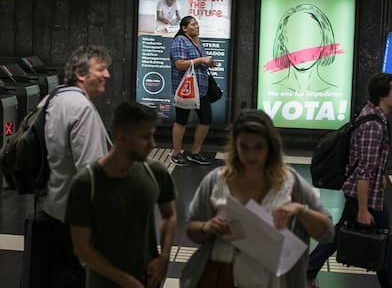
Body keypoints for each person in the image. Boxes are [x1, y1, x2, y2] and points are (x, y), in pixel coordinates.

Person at [181, 109, 335, 288]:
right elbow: (191, 228)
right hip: (222, 275)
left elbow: (327, 233)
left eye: (259, 147)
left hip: (272, 279)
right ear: (235, 146)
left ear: (271, 146)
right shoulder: (217, 180)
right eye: (244, 147)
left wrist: (301, 210)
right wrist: (206, 227)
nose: (251, 155)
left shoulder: (291, 183)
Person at [306, 72, 392, 288]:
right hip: (366, 196)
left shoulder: (371, 112)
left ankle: (308, 271)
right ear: (383, 95)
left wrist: (381, 176)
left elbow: (366, 161)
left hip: (363, 192)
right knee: (385, 242)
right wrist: (363, 209)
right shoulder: (374, 126)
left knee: (342, 234)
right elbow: (364, 172)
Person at [65, 101, 177, 288]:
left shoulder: (155, 172)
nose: (153, 144)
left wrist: (164, 258)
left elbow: (170, 214)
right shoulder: (86, 184)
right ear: (122, 138)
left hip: (147, 281)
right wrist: (125, 281)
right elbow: (82, 248)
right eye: (146, 137)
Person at [37, 45, 112, 287]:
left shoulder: (51, 100)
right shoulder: (81, 109)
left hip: (51, 207)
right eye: (101, 69)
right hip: (75, 217)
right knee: (77, 276)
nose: (107, 75)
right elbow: (90, 173)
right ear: (81, 73)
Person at [170, 16, 216, 166]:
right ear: (184, 28)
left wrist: (208, 63)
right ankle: (176, 153)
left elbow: (198, 62)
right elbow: (179, 64)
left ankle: (195, 152)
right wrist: (201, 60)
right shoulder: (180, 41)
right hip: (186, 89)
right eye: (193, 24)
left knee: (206, 118)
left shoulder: (197, 42)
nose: (197, 27)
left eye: (197, 24)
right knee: (181, 120)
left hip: (201, 88)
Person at [264, 4, 339, 93]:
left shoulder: (335, 92)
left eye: (311, 37)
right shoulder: (272, 91)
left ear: (323, 42)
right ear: (283, 42)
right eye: (294, 37)